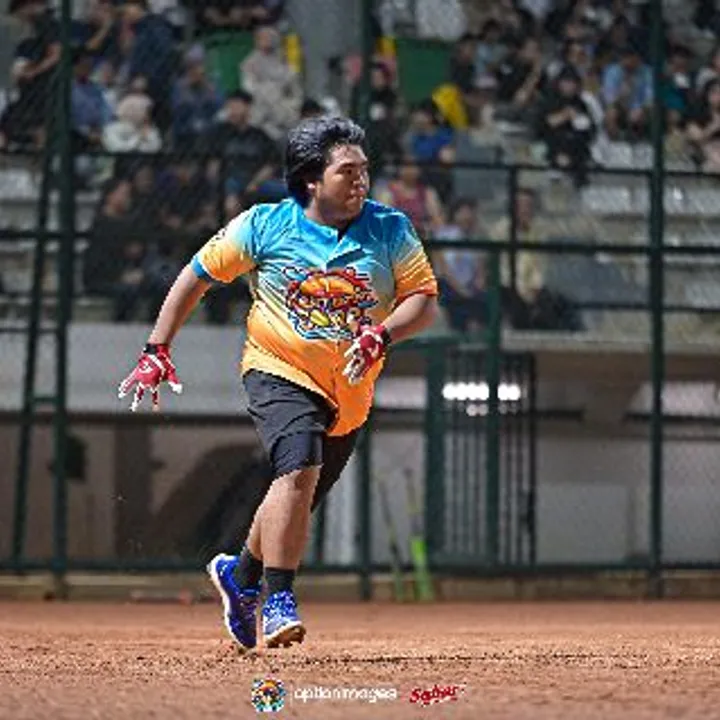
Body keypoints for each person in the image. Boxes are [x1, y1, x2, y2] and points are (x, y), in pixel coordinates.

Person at [117, 116, 439, 650]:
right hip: (277, 367)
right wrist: (157, 348)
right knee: (299, 466)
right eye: (348, 171)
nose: (361, 180)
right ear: (311, 179)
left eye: (364, 170)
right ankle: (279, 598)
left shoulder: (390, 228)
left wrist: (382, 334)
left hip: (350, 387)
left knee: (296, 491)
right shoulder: (264, 225)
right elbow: (195, 275)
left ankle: (240, 575)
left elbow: (423, 300)